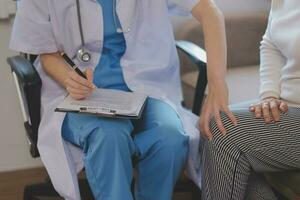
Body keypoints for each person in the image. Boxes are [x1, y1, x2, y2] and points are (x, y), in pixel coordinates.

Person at [10, 0, 235, 199]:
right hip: (77, 97)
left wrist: (217, 84)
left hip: (146, 89)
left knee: (170, 138)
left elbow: (209, 10)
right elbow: (45, 52)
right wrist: (69, 79)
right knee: (108, 136)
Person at [200, 0, 300, 199]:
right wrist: (269, 94)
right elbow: (270, 42)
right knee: (213, 124)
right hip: (289, 104)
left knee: (223, 136)